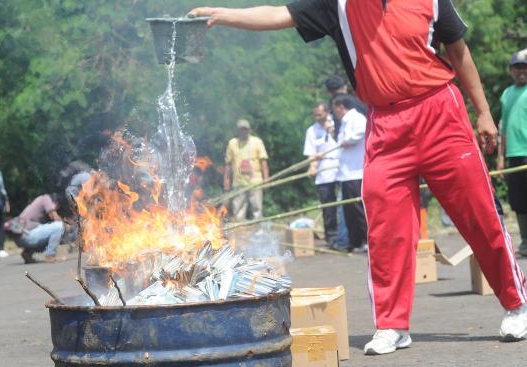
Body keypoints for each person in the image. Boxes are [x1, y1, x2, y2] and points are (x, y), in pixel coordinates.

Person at [189, 0, 527, 355]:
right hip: (384, 124)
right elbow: (279, 14)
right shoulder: (338, 5)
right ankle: (392, 325)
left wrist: (485, 113)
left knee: (479, 213)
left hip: (440, 111)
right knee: (385, 228)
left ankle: (516, 304)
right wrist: (222, 15)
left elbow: (459, 53)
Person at [497, 49, 527, 257]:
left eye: (525, 68)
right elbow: (504, 128)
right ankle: (525, 243)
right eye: (517, 67)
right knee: (517, 201)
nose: (521, 71)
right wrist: (500, 158)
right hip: (514, 155)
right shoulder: (507, 94)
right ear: (510, 70)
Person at [333, 93, 368, 253]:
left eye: (335, 108)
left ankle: (365, 240)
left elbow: (364, 129)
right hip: (345, 173)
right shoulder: (344, 122)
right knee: (348, 210)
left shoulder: (356, 118)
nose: (334, 112)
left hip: (356, 172)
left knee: (358, 208)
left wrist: (349, 140)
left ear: (341, 106)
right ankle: (354, 242)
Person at [304, 102, 340, 248]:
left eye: (320, 114)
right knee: (328, 206)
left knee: (347, 205)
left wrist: (330, 128)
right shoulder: (311, 131)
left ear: (328, 112)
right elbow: (311, 155)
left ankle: (350, 235)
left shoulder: (338, 123)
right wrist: (312, 167)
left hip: (342, 169)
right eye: (315, 115)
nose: (317, 117)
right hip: (324, 171)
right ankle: (331, 237)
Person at [224, 119, 269, 220]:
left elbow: (263, 161)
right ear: (237, 131)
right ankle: (240, 234)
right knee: (238, 211)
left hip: (255, 181)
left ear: (249, 130)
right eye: (240, 129)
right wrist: (226, 179)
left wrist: (266, 180)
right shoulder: (232, 143)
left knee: (257, 209)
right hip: (238, 182)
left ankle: (259, 233)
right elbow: (228, 163)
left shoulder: (257, 142)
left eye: (245, 129)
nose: (243, 132)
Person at [14, 193, 68, 263]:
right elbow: (54, 217)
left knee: (52, 237)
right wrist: (65, 226)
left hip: (21, 238)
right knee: (59, 225)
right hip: (27, 235)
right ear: (57, 203)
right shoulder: (45, 198)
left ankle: (27, 253)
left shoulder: (38, 203)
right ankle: (51, 255)